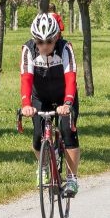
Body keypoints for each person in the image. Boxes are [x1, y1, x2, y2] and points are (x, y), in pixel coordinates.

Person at [20, 12, 81, 199]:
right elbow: (26, 80)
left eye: (49, 42)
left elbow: (71, 78)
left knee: (67, 131)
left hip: (64, 96)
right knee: (38, 135)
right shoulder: (28, 50)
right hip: (40, 97)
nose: (44, 46)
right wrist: (26, 105)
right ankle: (44, 166)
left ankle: (71, 178)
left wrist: (68, 103)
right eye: (39, 42)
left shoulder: (65, 49)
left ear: (56, 38)